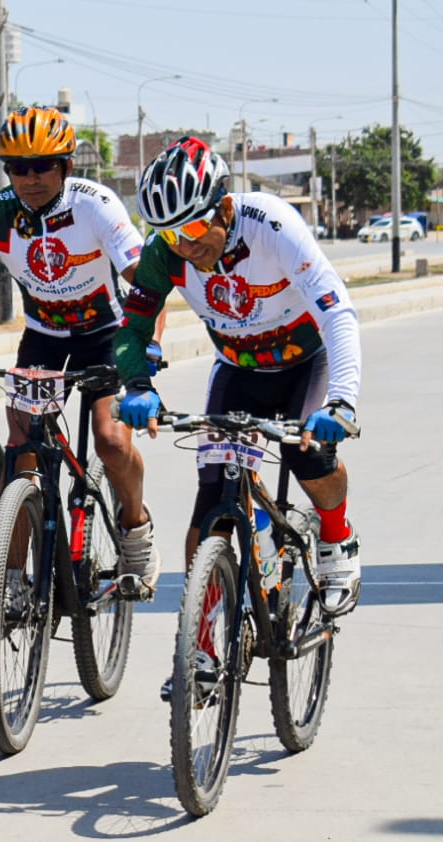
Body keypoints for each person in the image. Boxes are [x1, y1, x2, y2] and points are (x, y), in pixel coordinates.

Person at [118, 136, 362, 626]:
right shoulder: (164, 252)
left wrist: (342, 401)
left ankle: (338, 538)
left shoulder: (273, 225)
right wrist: (138, 385)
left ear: (224, 208)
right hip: (237, 368)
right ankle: (201, 643)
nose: (186, 246)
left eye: (191, 227)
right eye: (169, 235)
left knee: (306, 454)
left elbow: (337, 312)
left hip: (304, 364)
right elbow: (133, 329)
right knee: (212, 497)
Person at [0, 105, 160, 600]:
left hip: (105, 333)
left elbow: (148, 285)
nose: (29, 178)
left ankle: (135, 529)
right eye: (17, 167)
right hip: (43, 336)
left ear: (66, 165)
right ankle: (11, 579)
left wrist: (147, 351)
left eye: (41, 166)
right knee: (22, 448)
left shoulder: (96, 204)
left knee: (111, 440)